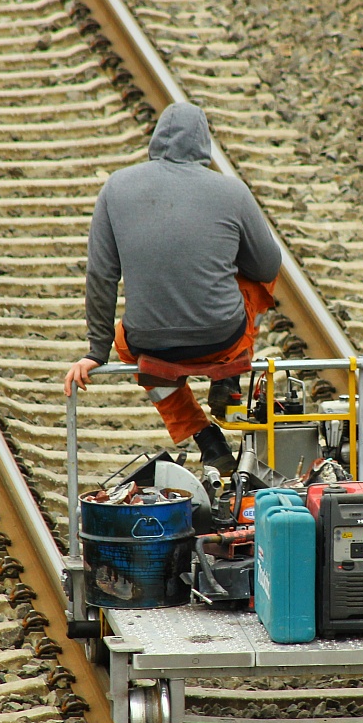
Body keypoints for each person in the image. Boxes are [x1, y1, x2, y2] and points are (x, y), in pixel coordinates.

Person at [63, 102, 281, 474]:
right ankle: (227, 379)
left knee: (125, 341)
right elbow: (266, 266)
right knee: (258, 275)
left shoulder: (116, 187)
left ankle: (204, 438)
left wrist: (96, 352)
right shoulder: (232, 190)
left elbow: (101, 275)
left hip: (150, 344)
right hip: (222, 338)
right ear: (204, 144)